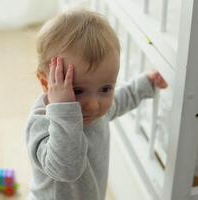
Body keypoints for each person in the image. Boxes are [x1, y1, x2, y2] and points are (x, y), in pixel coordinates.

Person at [25, 9, 168, 200]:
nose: (93, 105)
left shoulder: (98, 110)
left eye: (105, 89)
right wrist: (65, 112)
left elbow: (122, 98)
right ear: (46, 84)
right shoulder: (41, 125)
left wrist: (146, 83)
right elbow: (67, 169)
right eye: (77, 91)